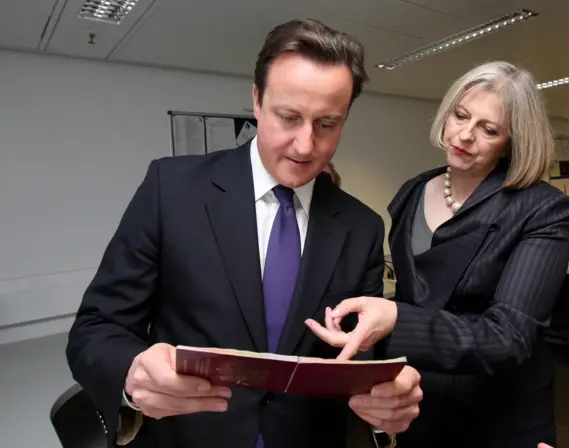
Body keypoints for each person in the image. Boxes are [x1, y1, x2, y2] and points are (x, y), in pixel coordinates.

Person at [65, 18, 422, 448]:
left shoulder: (362, 226)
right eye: (288, 117)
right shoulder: (172, 189)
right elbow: (97, 326)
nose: (305, 146)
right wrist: (131, 373)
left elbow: (357, 357)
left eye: (327, 124)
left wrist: (386, 399)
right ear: (256, 100)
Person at [306, 61, 569, 447]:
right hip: (421, 397)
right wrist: (362, 327)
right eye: (460, 115)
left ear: (513, 140)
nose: (464, 135)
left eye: (489, 129)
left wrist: (396, 319)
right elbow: (415, 296)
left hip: (499, 410)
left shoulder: (542, 208)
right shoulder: (413, 192)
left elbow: (510, 337)